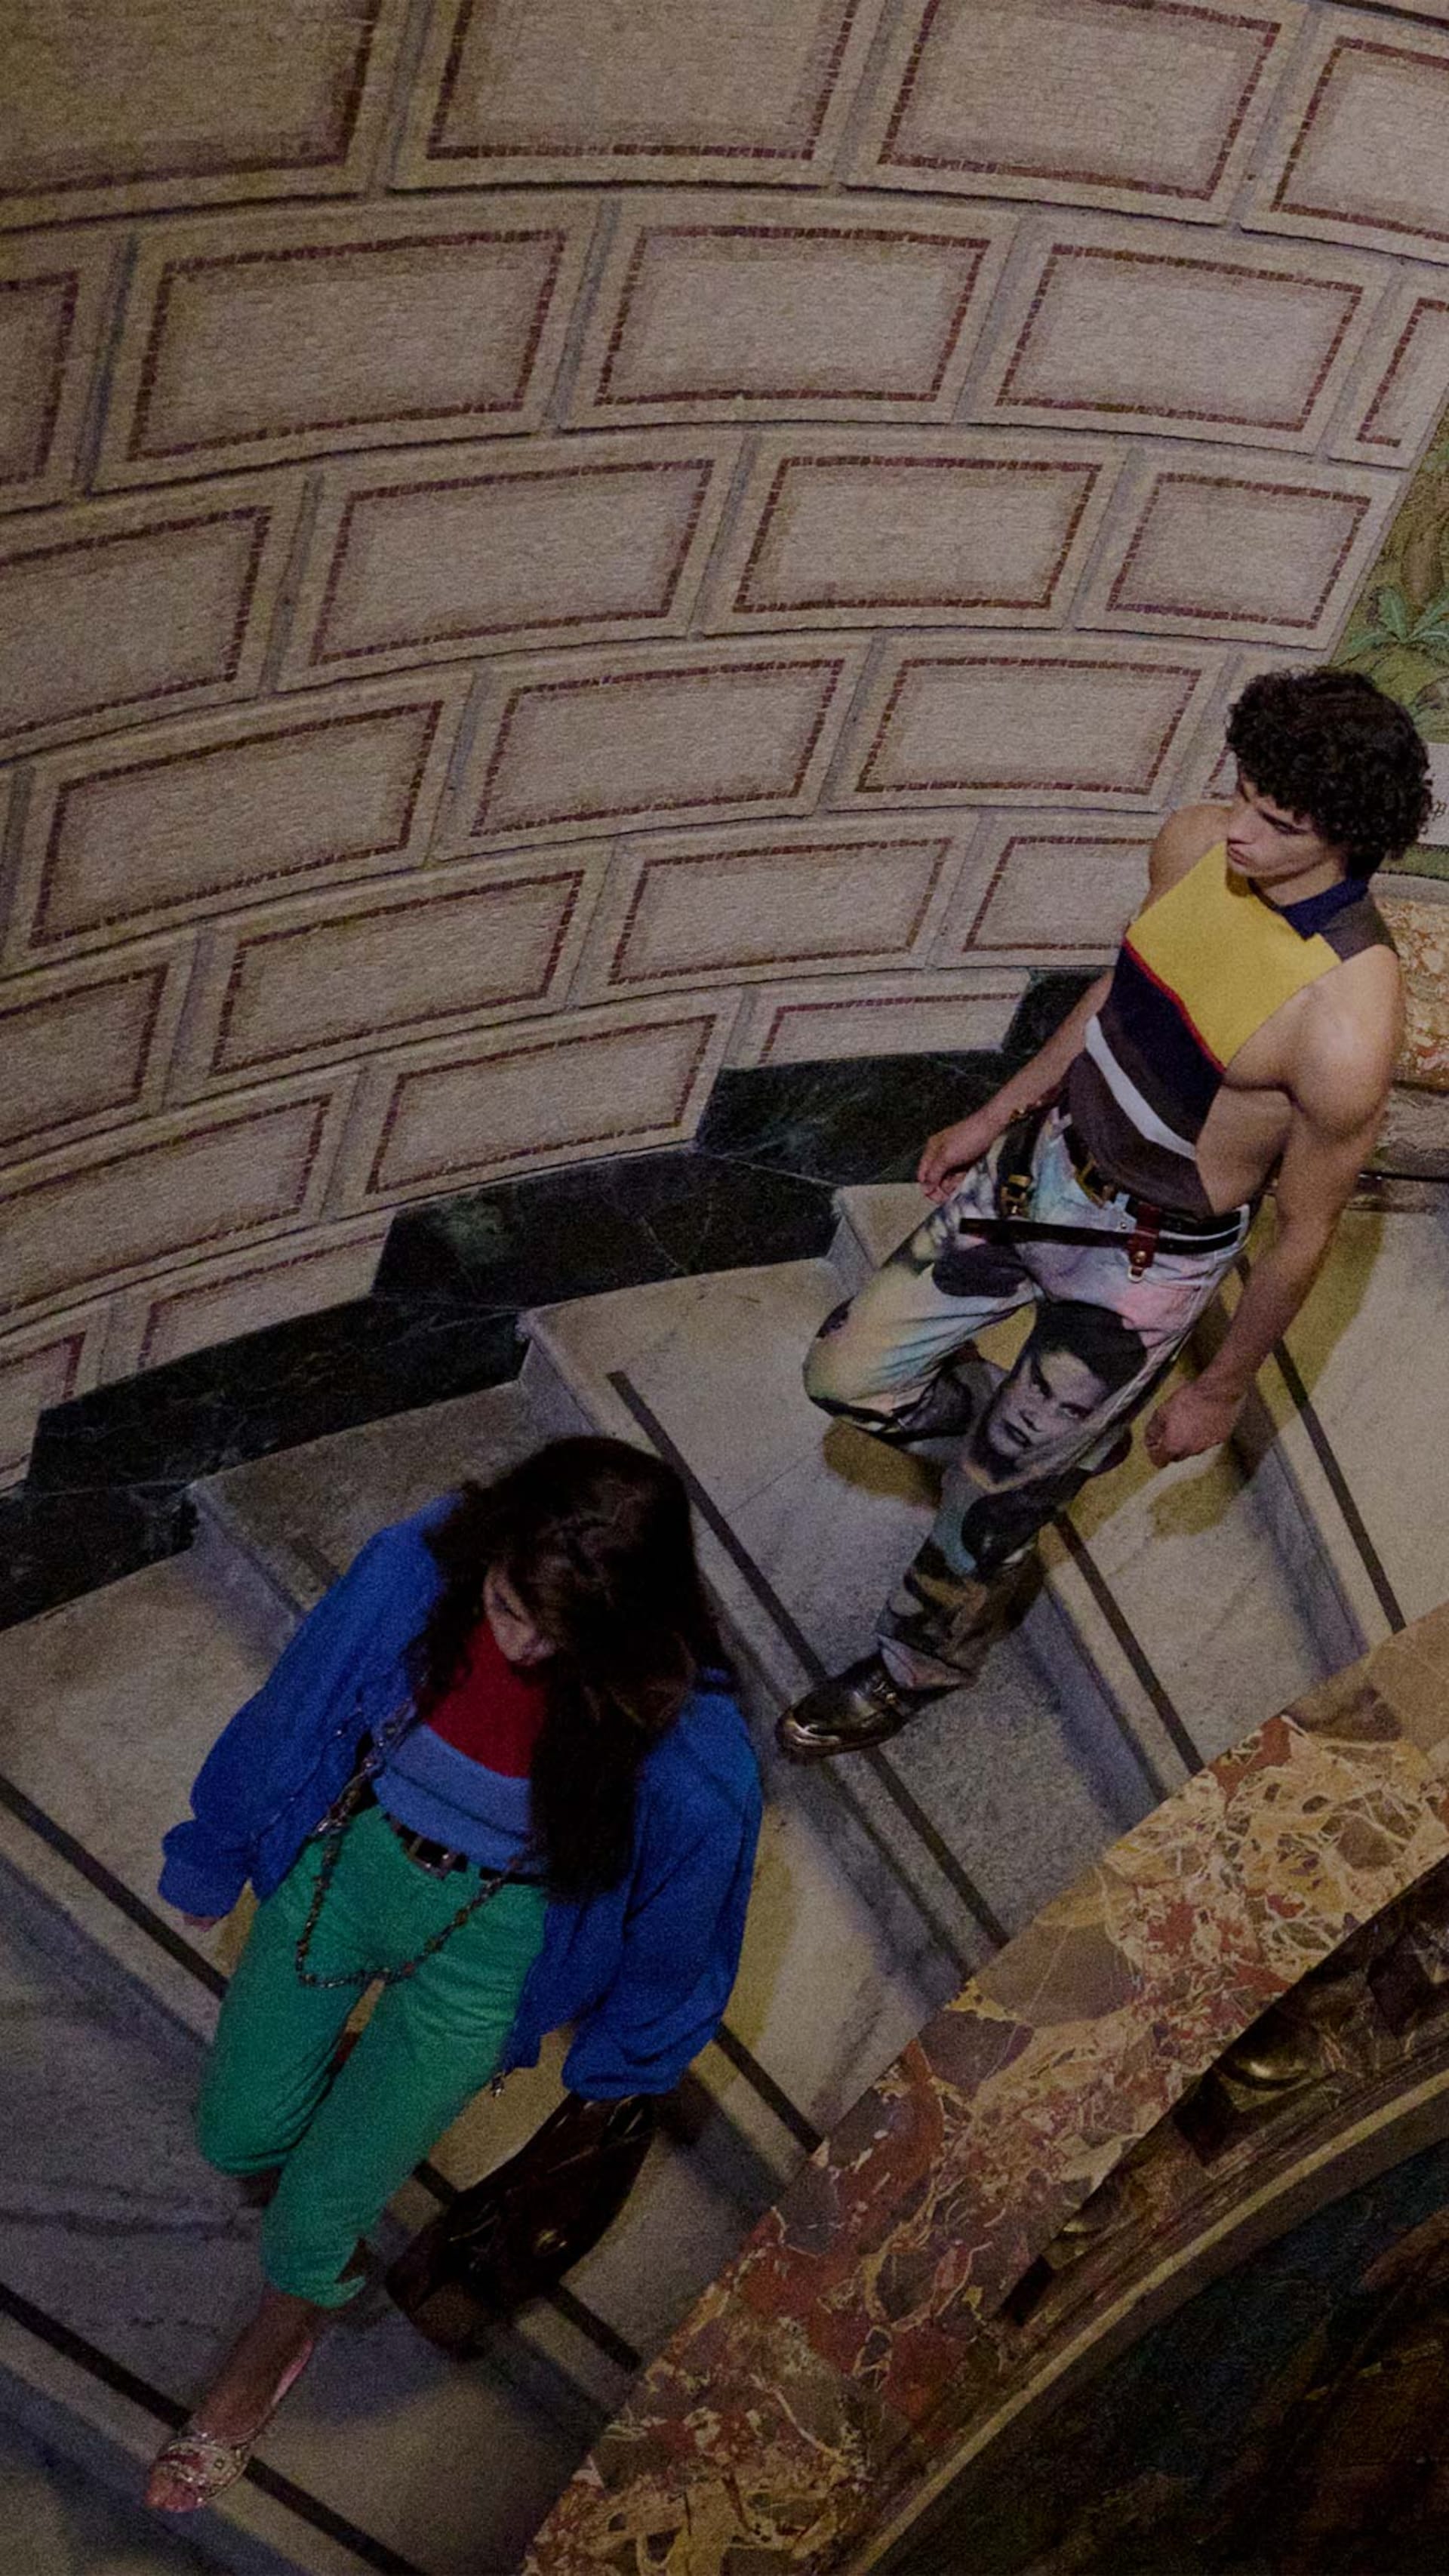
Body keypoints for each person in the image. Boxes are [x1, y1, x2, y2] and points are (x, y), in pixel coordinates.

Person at [779, 666, 1431, 1759]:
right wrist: (996, 1112)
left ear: (1346, 837)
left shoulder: (1346, 1022)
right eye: (1243, 792)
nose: (1238, 830)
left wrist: (1219, 1387)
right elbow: (1118, 992)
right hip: (1039, 1168)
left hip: (1146, 1260)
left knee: (986, 1510)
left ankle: (912, 1665)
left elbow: (1304, 1232)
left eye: (1276, 823)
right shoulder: (1197, 844)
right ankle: (1040, 1452)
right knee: (844, 1376)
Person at [146, 1436, 761, 2512]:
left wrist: (624, 2063)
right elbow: (303, 1696)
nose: (521, 1646)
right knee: (235, 2134)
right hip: (350, 1865)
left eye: (558, 1635)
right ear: (497, 1542)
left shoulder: (683, 1739)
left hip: (493, 1945)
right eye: (509, 1605)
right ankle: (356, 2104)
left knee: (309, 2218)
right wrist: (215, 1845)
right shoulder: (417, 1566)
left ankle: (272, 2347)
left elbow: (688, 1920)